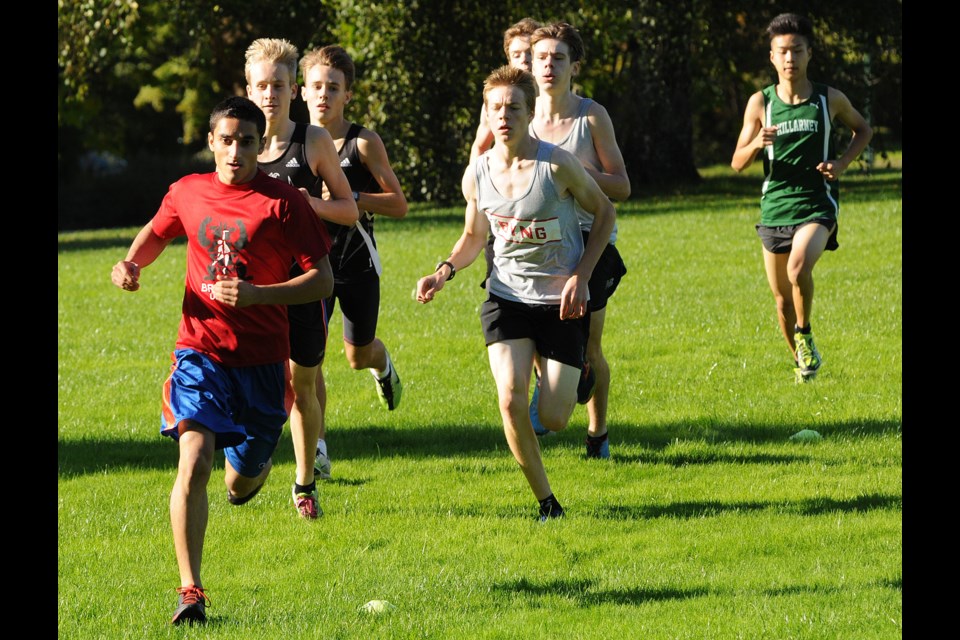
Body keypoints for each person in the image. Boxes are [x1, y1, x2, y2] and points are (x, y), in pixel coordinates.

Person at [110, 96, 333, 625]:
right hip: (199, 352)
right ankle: (191, 591)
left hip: (261, 363)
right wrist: (130, 264)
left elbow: (322, 280)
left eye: (247, 141)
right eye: (226, 140)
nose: (236, 151)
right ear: (211, 141)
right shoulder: (187, 192)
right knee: (195, 460)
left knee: (239, 485)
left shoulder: (284, 203)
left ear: (261, 145)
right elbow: (157, 232)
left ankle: (257, 470)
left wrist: (259, 295)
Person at [415, 66, 615, 521]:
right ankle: (547, 503)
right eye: (495, 108)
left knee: (557, 417)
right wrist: (443, 271)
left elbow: (604, 215)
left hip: (560, 302)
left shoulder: (556, 164)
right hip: (506, 297)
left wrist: (582, 275)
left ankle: (579, 369)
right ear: (486, 115)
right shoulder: (478, 174)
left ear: (529, 113)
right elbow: (472, 237)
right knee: (509, 398)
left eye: (513, 107)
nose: (503, 115)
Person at [245, 37, 358, 518]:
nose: (270, 94)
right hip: (251, 289)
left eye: (279, 85)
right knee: (256, 383)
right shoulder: (237, 143)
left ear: (295, 89)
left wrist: (299, 205)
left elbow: (349, 210)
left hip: (304, 284)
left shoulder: (310, 141)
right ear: (248, 88)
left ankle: (304, 482)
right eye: (262, 85)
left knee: (300, 384)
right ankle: (248, 462)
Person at [731, 13, 872, 382]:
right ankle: (803, 363)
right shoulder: (760, 103)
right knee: (780, 301)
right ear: (772, 58)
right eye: (783, 51)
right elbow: (736, 162)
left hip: (817, 205)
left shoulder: (829, 99)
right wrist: (756, 143)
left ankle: (805, 331)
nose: (790, 58)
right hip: (775, 207)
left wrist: (841, 163)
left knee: (798, 269)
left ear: (810, 54)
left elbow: (863, 129)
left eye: (797, 50)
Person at [528, 22, 631, 458]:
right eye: (542, 58)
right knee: (531, 334)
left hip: (591, 241)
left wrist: (575, 171)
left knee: (590, 345)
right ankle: (552, 385)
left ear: (574, 66)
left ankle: (598, 433)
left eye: (559, 58)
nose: (549, 65)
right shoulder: (521, 116)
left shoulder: (591, 116)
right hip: (539, 242)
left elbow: (622, 186)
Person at [299, 45, 408, 439]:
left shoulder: (362, 143)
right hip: (311, 266)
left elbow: (399, 204)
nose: (324, 94)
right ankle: (318, 447)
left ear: (348, 95)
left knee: (356, 356)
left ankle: (383, 367)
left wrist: (353, 200)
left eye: (333, 87)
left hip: (358, 265)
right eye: (317, 86)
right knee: (309, 361)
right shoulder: (293, 144)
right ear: (303, 91)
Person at [470, 18, 541, 290]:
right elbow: (479, 144)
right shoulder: (497, 100)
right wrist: (474, 187)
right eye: (516, 54)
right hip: (505, 200)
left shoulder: (553, 97)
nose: (524, 60)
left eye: (530, 53)